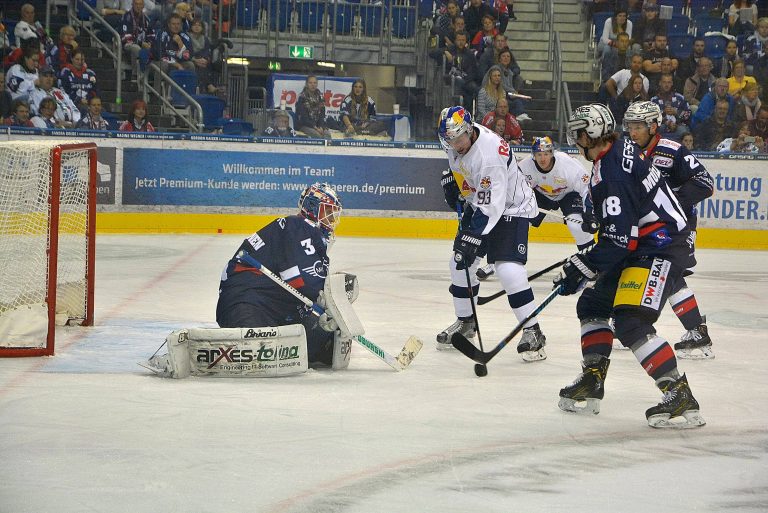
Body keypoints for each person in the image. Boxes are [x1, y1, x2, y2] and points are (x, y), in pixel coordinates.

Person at [556, 103, 706, 428]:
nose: (575, 138)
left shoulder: (611, 172)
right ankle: (593, 378)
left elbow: (618, 241)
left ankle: (678, 392)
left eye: (580, 131)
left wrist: (583, 265)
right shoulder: (617, 148)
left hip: (662, 246)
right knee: (593, 303)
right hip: (646, 242)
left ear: (594, 132)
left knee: (629, 320)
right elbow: (621, 225)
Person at [436, 106, 547, 362]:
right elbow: (469, 181)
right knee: (459, 262)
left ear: (470, 130)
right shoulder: (455, 143)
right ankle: (466, 323)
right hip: (482, 204)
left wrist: (473, 235)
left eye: (459, 139)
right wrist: (457, 188)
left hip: (513, 207)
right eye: (450, 140)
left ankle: (533, 331)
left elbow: (492, 206)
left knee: (508, 268)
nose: (455, 145)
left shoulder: (489, 156)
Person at [623, 101, 715, 358]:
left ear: (653, 126)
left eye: (639, 126)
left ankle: (695, 331)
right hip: (648, 227)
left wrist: (672, 201)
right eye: (630, 126)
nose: (633, 131)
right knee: (649, 271)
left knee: (670, 274)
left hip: (677, 226)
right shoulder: (629, 153)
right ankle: (634, 323)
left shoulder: (672, 150)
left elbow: (705, 183)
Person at [216, 183, 343, 366]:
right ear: (313, 207)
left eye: (333, 214)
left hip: (269, 305)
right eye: (328, 212)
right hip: (246, 303)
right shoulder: (298, 227)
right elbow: (302, 281)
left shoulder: (305, 234)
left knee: (321, 341)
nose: (331, 220)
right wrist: (327, 300)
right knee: (257, 353)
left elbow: (301, 286)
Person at [518, 136, 599, 252]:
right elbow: (513, 188)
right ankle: (510, 257)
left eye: (546, 154)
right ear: (533, 155)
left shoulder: (568, 165)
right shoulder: (524, 167)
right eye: (539, 154)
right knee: (520, 223)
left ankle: (591, 258)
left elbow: (587, 188)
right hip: (541, 195)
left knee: (576, 225)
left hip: (569, 194)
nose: (542, 158)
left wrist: (590, 213)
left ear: (552, 153)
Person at [444, 31, 479, 111]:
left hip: (466, 79)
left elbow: (473, 71)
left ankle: (473, 113)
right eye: (459, 40)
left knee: (476, 89)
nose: (461, 42)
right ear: (455, 40)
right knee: (462, 85)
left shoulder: (469, 54)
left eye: (463, 40)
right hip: (451, 77)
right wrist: (445, 52)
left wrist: (467, 80)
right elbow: (433, 53)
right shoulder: (449, 49)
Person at [651, 72, 691, 138]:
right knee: (659, 128)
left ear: (672, 83)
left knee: (682, 130)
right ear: (660, 83)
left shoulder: (680, 98)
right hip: (662, 125)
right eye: (664, 82)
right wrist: (663, 114)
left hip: (678, 125)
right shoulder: (654, 100)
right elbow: (651, 117)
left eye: (669, 82)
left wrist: (677, 112)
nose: (666, 85)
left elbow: (688, 113)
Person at [121, 0, 155, 77]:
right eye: (136, 4)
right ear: (132, 5)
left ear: (143, 6)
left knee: (154, 49)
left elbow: (152, 34)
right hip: (128, 44)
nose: (138, 6)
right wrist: (141, 43)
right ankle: (136, 75)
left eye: (140, 4)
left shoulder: (146, 18)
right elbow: (126, 36)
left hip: (143, 44)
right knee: (136, 48)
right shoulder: (127, 16)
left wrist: (150, 42)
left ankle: (149, 75)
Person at [59, 48, 98, 113]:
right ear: (72, 59)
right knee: (86, 110)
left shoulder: (91, 73)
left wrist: (89, 100)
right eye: (77, 59)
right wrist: (78, 100)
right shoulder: (65, 72)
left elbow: (96, 91)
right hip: (71, 104)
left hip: (89, 104)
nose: (80, 62)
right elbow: (63, 91)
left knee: (103, 112)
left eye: (82, 60)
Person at [188, 18, 217, 94]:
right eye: (194, 25)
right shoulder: (187, 37)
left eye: (199, 25)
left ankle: (205, 88)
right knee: (201, 66)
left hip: (201, 60)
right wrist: (196, 59)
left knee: (206, 64)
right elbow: (187, 51)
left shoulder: (205, 39)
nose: (197, 27)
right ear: (191, 27)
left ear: (202, 28)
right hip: (191, 59)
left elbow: (207, 51)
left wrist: (204, 59)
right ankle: (209, 85)